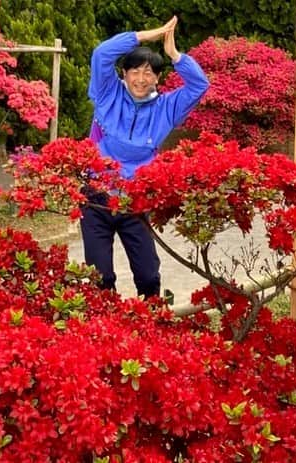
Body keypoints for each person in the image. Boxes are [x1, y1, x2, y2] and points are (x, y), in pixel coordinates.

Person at [82, 16, 209, 298]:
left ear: (158, 78)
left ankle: (150, 323)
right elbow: (102, 53)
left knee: (148, 276)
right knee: (99, 278)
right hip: (96, 197)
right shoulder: (107, 93)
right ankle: (104, 330)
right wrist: (145, 35)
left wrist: (175, 55)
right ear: (124, 74)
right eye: (135, 72)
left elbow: (199, 86)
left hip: (136, 200)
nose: (141, 79)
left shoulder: (166, 107)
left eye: (149, 73)